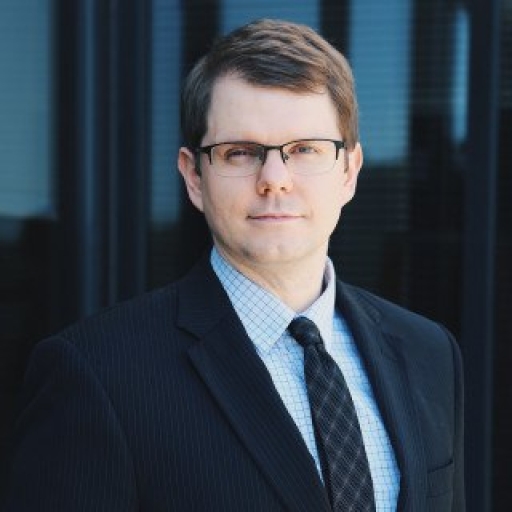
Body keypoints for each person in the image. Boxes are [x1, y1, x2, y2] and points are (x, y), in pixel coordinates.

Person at [2, 19, 464, 512]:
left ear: (348, 172)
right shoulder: (97, 374)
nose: (274, 179)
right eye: (240, 153)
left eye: (304, 150)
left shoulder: (428, 352)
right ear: (194, 177)